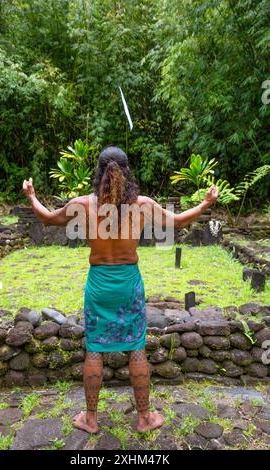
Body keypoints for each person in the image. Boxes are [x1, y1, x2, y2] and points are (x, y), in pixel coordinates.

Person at [23, 146, 218, 434]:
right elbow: (177, 222)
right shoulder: (142, 205)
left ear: (98, 172)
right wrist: (205, 204)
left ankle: (90, 418)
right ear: (127, 173)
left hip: (99, 284)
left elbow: (48, 218)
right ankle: (144, 418)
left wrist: (31, 196)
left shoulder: (82, 205)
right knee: (135, 348)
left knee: (95, 348)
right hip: (129, 285)